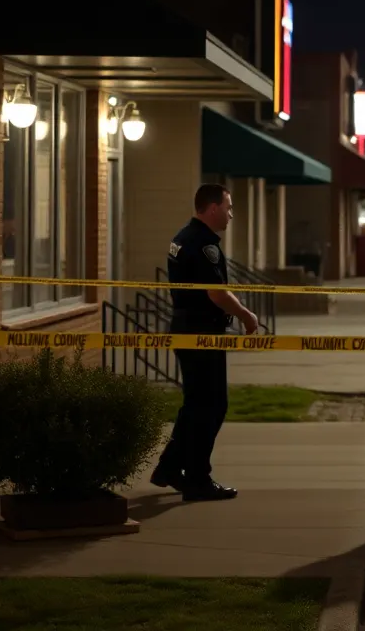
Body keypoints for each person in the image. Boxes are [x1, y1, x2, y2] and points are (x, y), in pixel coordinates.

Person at [150, 183, 259, 502]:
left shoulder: (183, 236)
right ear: (212, 208)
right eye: (228, 207)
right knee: (212, 405)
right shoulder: (202, 243)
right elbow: (215, 292)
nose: (230, 214)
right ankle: (197, 477)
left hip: (187, 326)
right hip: (201, 331)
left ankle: (169, 468)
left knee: (196, 404)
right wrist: (245, 315)